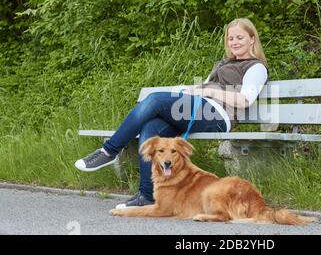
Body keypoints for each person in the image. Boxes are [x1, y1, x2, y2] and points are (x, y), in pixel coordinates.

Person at [74, 18, 269, 209]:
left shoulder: (255, 67)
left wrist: (209, 92)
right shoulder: (223, 63)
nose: (234, 42)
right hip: (197, 107)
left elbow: (245, 100)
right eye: (230, 38)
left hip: (218, 115)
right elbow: (204, 87)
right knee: (150, 129)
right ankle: (147, 195)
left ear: (252, 39)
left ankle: (109, 151)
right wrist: (190, 90)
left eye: (240, 38)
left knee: (155, 100)